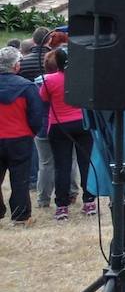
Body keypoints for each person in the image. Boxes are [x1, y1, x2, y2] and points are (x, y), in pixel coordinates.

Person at [39, 47, 96, 219]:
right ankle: (89, 201)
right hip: (82, 122)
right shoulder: (83, 77)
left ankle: (62, 205)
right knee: (85, 163)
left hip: (59, 125)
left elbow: (43, 98)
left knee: (61, 166)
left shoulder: (49, 80)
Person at [0, 46, 42, 225]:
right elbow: (36, 115)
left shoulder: (27, 86)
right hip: (20, 137)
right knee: (20, 179)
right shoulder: (26, 87)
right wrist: (32, 132)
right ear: (16, 66)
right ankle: (20, 215)